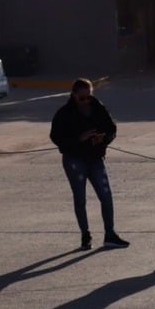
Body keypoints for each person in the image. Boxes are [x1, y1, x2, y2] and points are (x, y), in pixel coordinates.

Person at [49, 78, 128, 250]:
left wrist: (104, 138)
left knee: (106, 195)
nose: (85, 101)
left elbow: (111, 128)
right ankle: (85, 235)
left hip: (95, 158)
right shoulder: (64, 113)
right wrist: (79, 139)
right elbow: (56, 137)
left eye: (88, 97)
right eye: (81, 98)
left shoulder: (98, 107)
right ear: (74, 95)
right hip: (74, 160)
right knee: (80, 198)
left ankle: (110, 234)